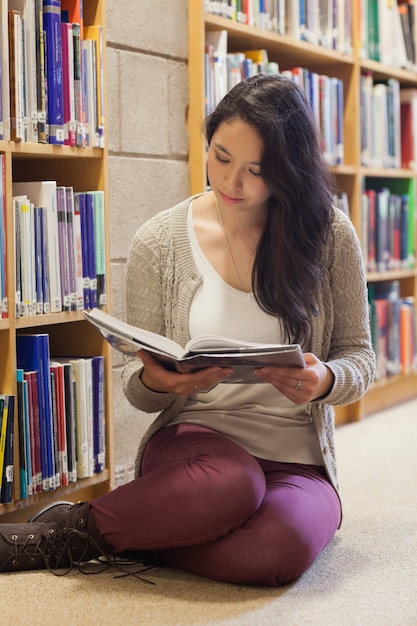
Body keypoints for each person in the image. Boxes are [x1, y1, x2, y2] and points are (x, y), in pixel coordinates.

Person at [0, 74, 375, 586]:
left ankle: (143, 532)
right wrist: (161, 381)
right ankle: (66, 533)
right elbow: (138, 386)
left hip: (297, 460)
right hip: (196, 448)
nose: (232, 183)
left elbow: (359, 356)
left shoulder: (330, 235)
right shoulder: (160, 240)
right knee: (231, 484)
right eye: (221, 157)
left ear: (288, 171)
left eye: (256, 170)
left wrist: (326, 379)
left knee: (278, 550)